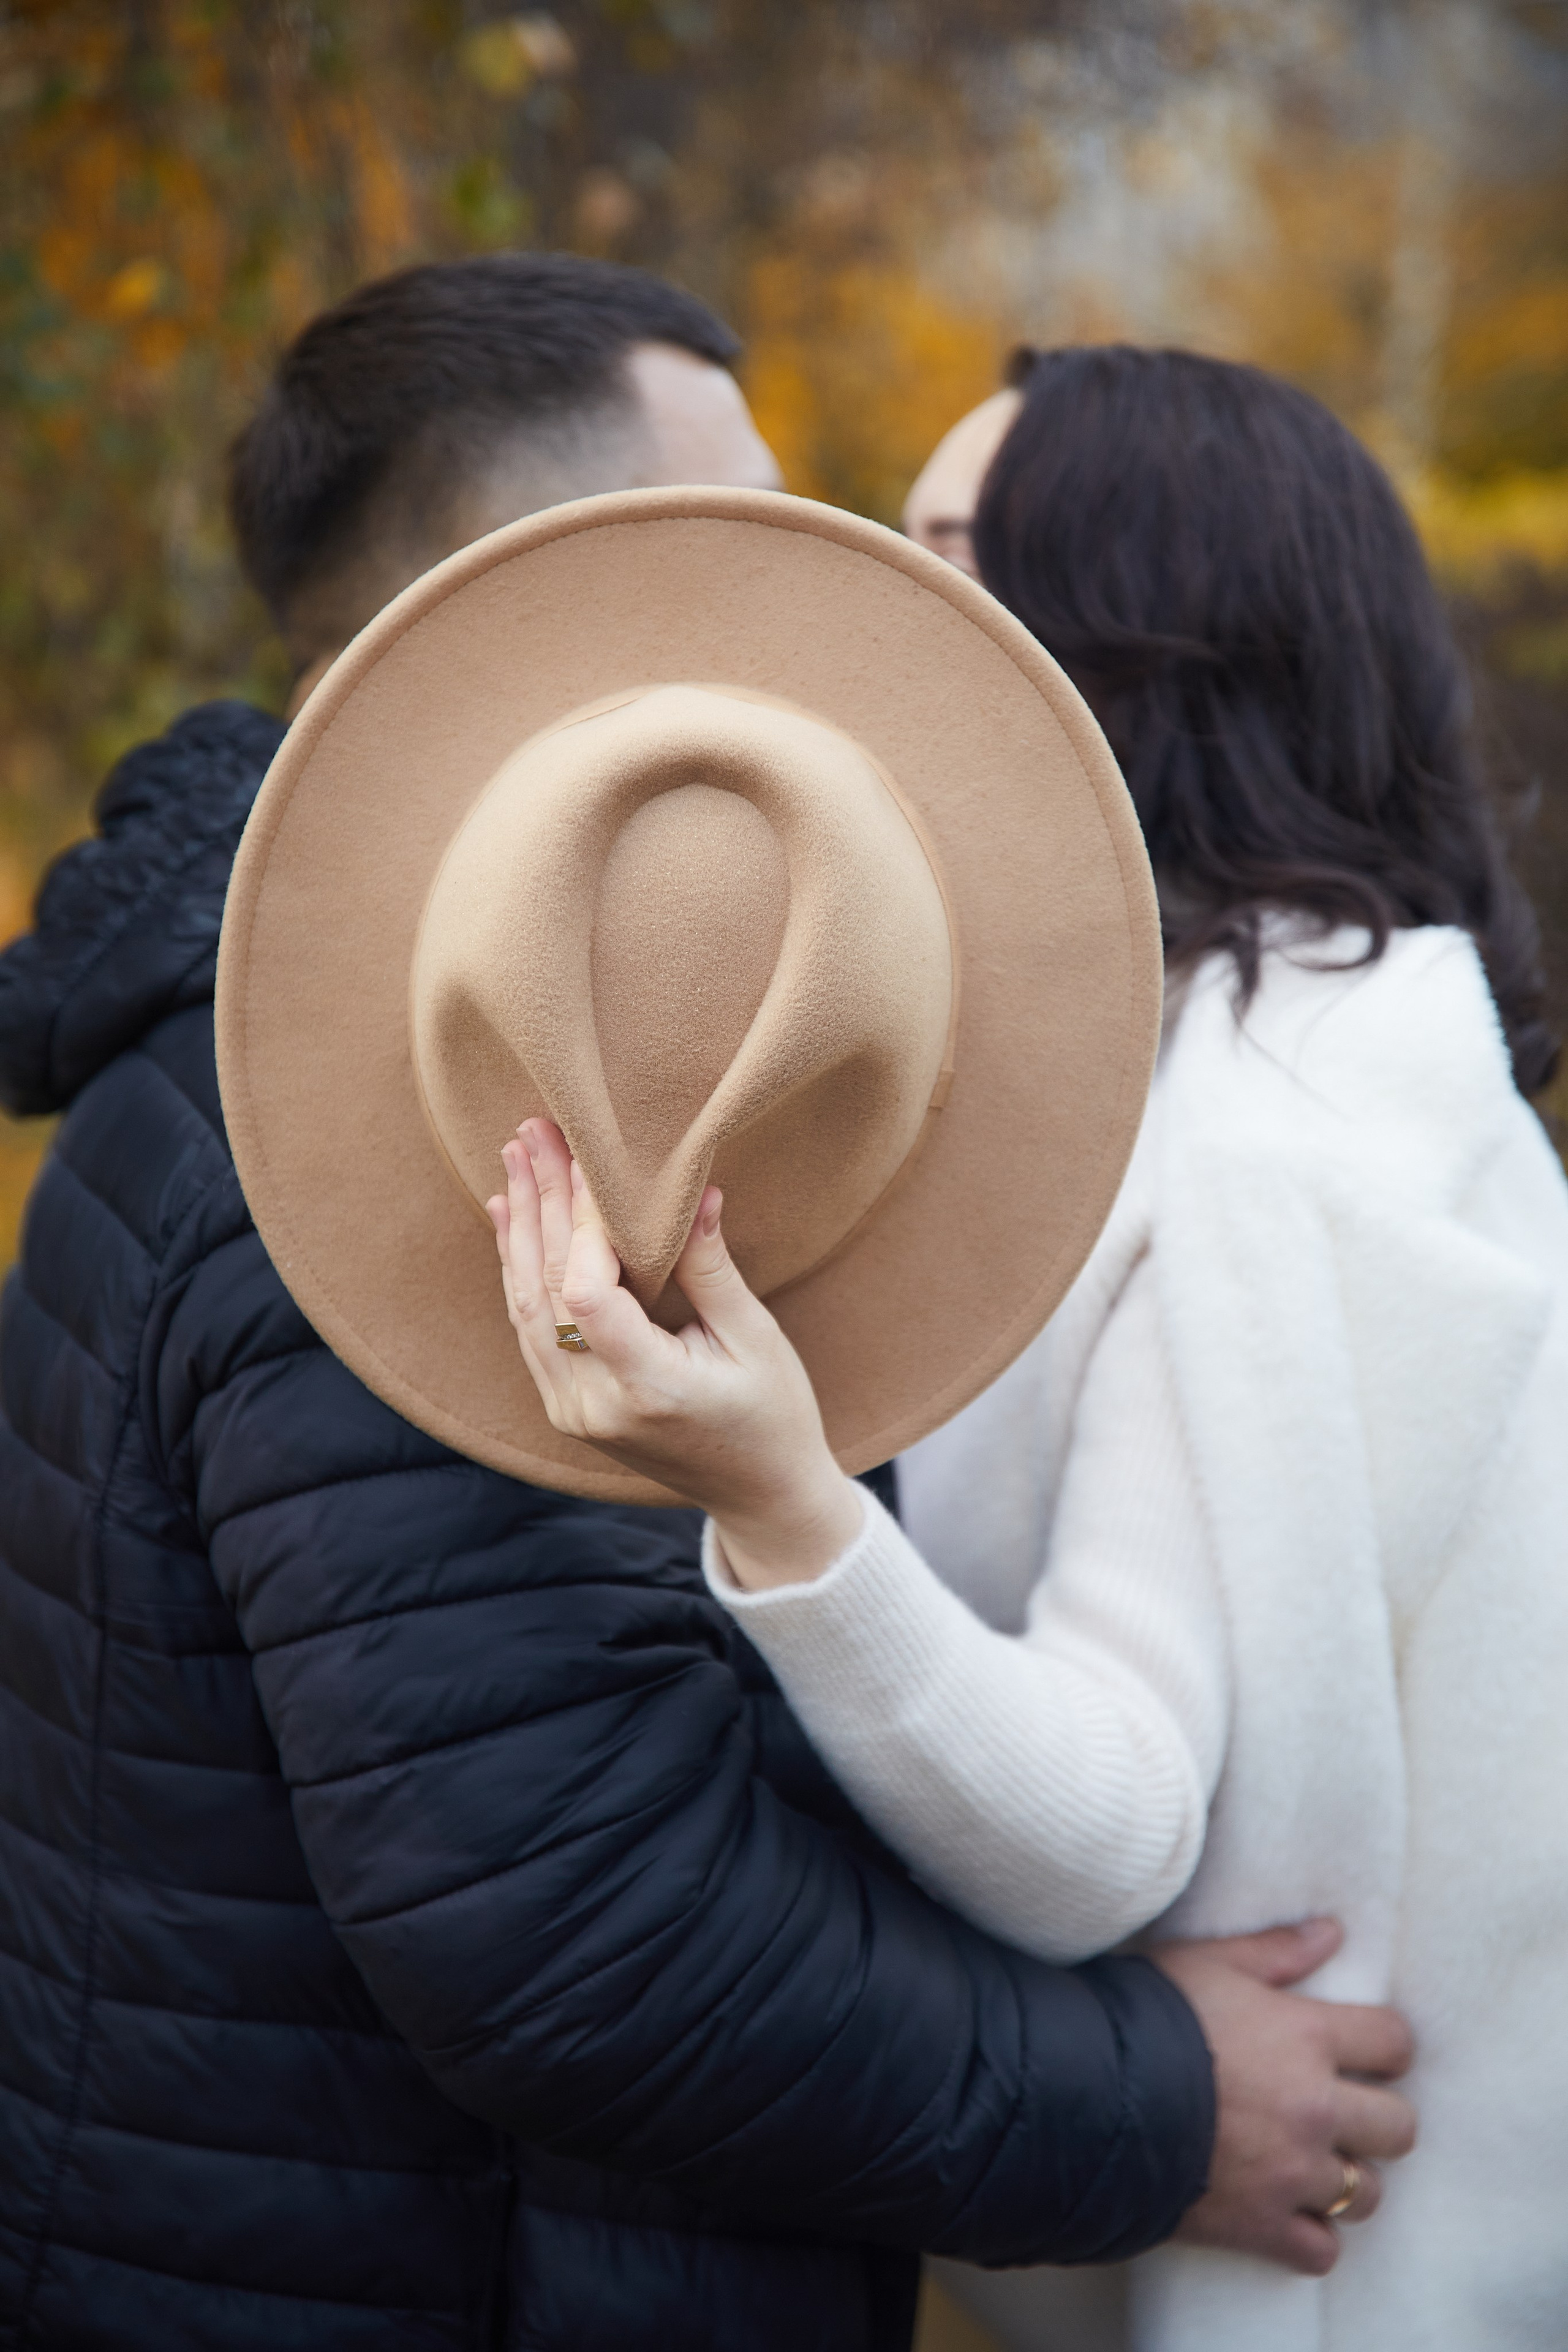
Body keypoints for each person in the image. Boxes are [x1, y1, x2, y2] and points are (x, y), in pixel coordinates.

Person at [0, 263, 1409, 2352]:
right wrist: (1162, 2105)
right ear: (550, 595)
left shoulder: (292, 1031)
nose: (796, 575)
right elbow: (575, 1931)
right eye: (727, 521)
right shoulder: (405, 1152)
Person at [486, 348, 1568, 2352]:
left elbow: (1110, 1828)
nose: (882, 618)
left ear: (1152, 642)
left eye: (952, 557)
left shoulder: (1265, 1146)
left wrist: (784, 1503)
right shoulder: (1335, 1058)